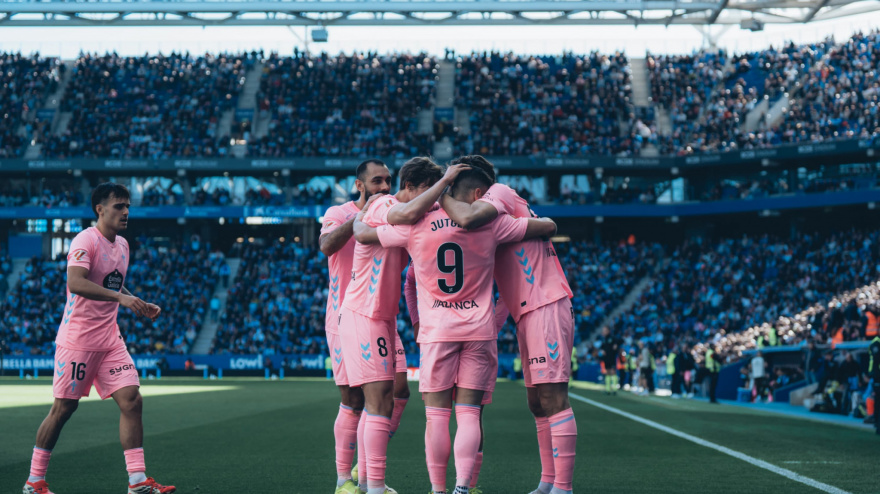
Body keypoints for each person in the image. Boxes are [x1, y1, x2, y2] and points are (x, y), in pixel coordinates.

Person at [359, 165, 557, 494]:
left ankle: (438, 490)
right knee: (468, 414)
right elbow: (542, 228)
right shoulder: (490, 222)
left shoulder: (416, 224)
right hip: (479, 330)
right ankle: (462, 488)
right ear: (477, 193)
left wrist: (362, 213)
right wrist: (546, 223)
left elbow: (367, 234)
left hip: (437, 330)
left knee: (437, 416)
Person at [22, 183, 173, 494]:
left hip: (109, 340)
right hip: (78, 340)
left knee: (132, 400)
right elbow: (76, 283)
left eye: (128, 205)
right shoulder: (85, 240)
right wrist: (121, 299)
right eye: (119, 206)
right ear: (100, 209)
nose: (126, 211)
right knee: (63, 409)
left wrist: (137, 302)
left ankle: (137, 482)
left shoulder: (123, 245)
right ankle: (34, 482)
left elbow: (112, 283)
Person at [440, 156, 578, 494]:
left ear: (476, 193)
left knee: (552, 395)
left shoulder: (498, 192)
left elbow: (468, 217)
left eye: (455, 195)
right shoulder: (499, 225)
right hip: (527, 310)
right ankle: (548, 483)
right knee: (536, 401)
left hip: (545, 302)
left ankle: (564, 488)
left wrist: (437, 189)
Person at [342, 157, 469, 494]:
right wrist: (444, 185)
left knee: (389, 397)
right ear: (411, 187)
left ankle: (370, 482)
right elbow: (408, 214)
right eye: (427, 192)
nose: (432, 202)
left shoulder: (409, 216)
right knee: (379, 400)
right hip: (363, 313)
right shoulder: (385, 204)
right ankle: (373, 486)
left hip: (382, 317)